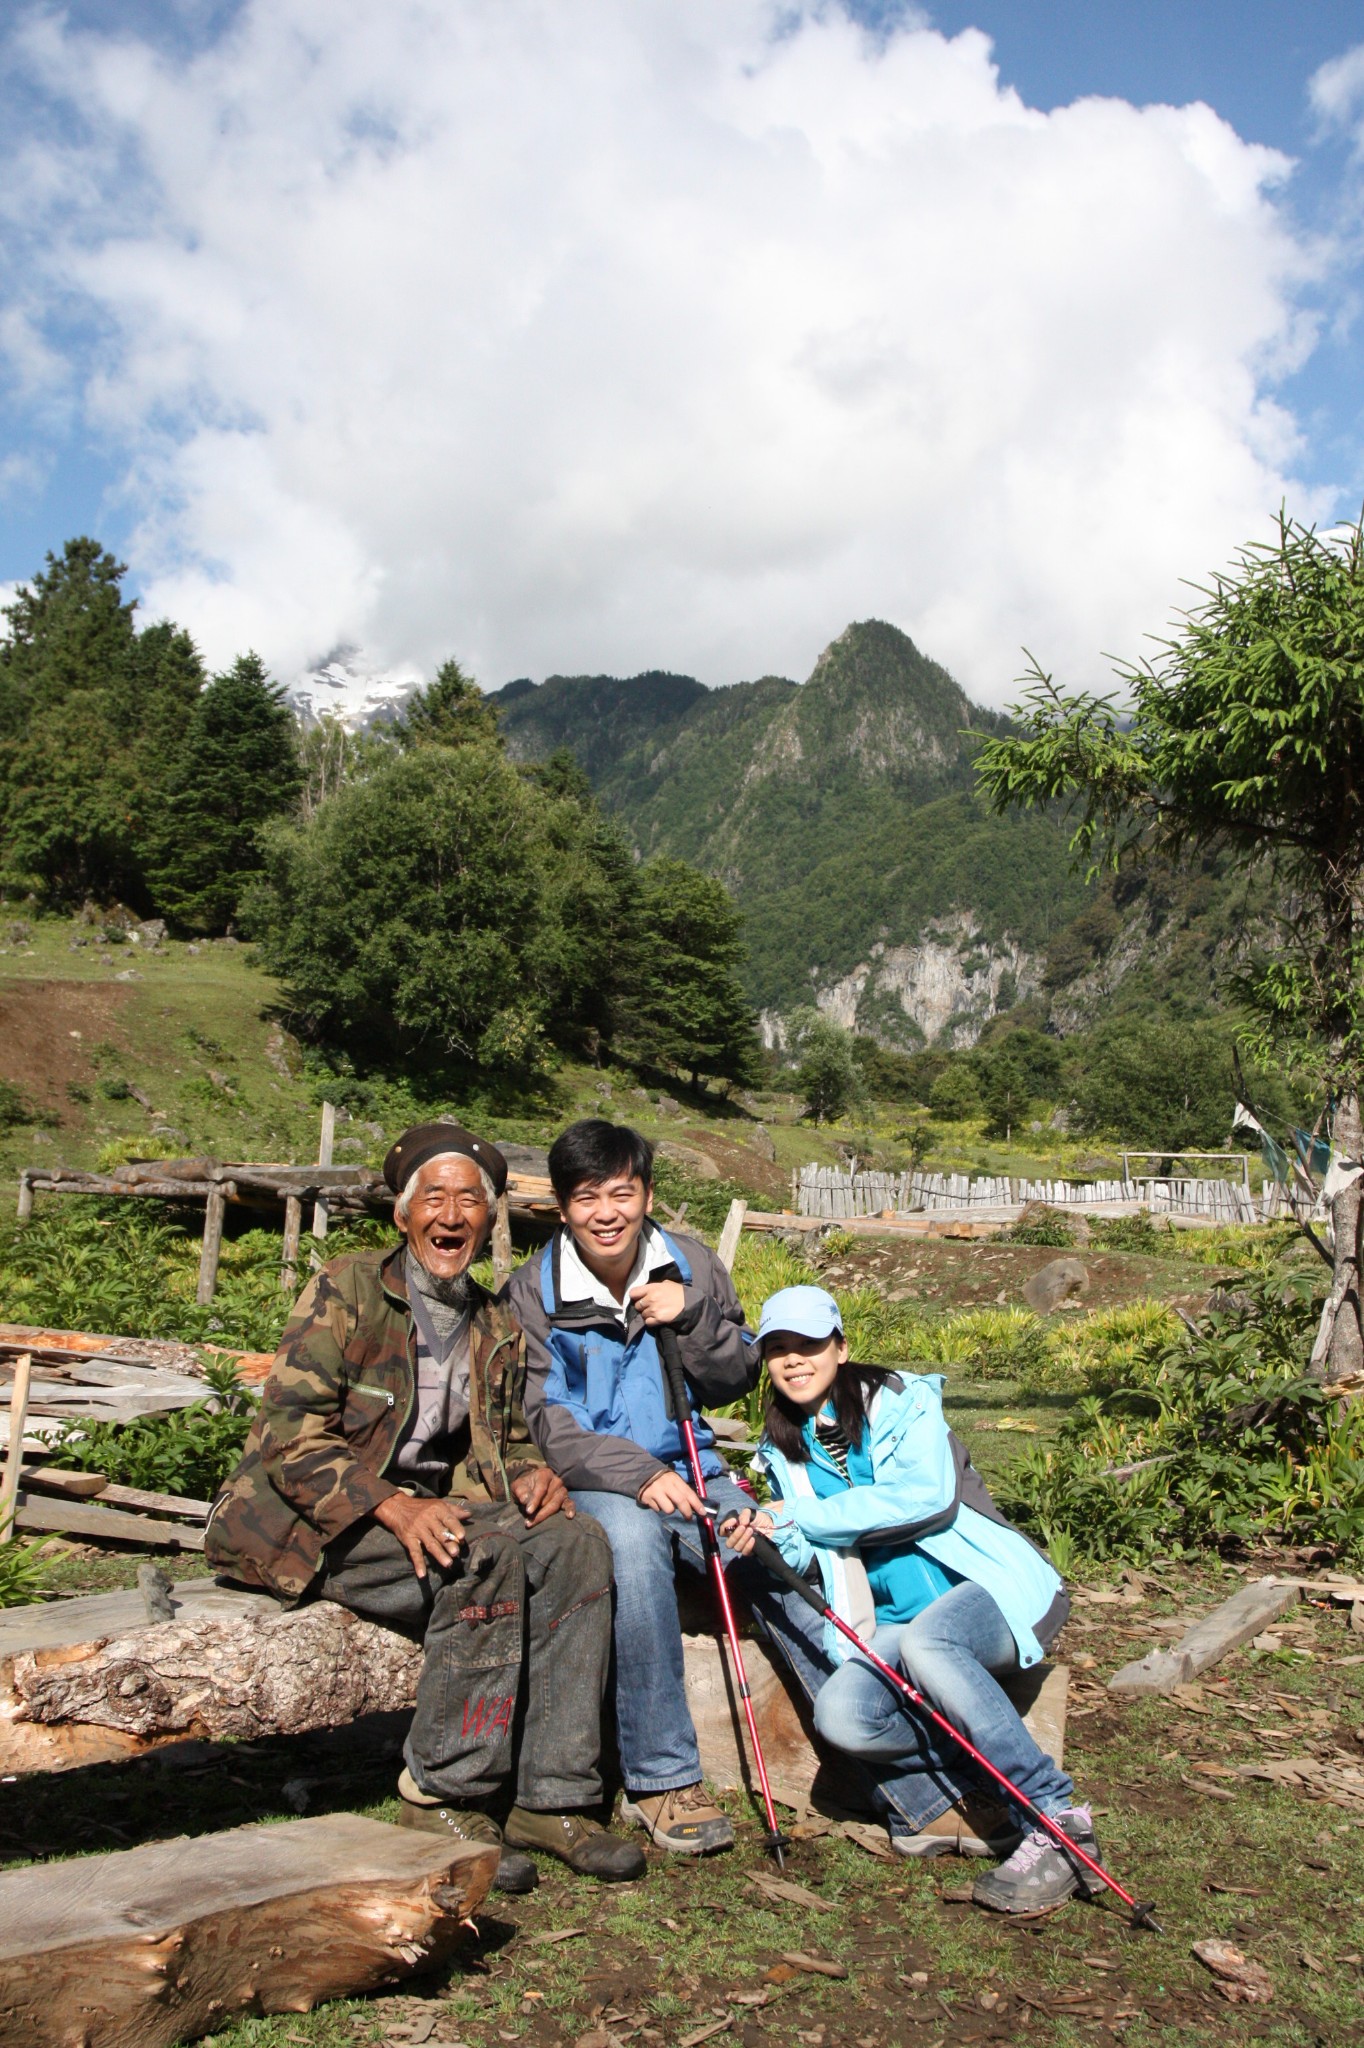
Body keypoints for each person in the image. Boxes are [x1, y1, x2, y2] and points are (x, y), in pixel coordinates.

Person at [207, 1119, 644, 1891]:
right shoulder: (347, 1289)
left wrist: (535, 1477)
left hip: (433, 1512)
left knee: (577, 1545)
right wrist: (392, 1507)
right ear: (403, 1216)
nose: (451, 1215)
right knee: (483, 1553)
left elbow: (507, 1443)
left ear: (489, 1219)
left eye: (470, 1201)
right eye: (433, 1199)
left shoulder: (494, 1320)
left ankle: (555, 1797)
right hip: (306, 1525)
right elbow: (289, 1436)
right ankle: (445, 1790)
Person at [724, 1284, 1102, 1915]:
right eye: (778, 1349)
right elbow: (809, 1549)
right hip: (893, 1619)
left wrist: (802, 1520)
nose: (793, 1360)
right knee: (843, 1716)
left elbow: (925, 1497)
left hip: (985, 1592)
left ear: (840, 1347)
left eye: (809, 1344)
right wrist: (766, 1534)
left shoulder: (902, 1400)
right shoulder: (783, 1446)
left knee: (935, 1641)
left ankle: (1055, 1818)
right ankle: (977, 1775)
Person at [510, 1118, 763, 1855]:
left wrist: (691, 1319)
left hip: (696, 1467)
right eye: (587, 1197)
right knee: (629, 1542)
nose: (608, 1212)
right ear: (562, 1206)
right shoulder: (533, 1295)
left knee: (774, 1549)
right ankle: (663, 1781)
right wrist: (640, 1476)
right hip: (599, 1481)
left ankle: (883, 1753)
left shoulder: (693, 1265)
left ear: (648, 1194)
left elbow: (735, 1376)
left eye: (623, 1192)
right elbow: (547, 1423)